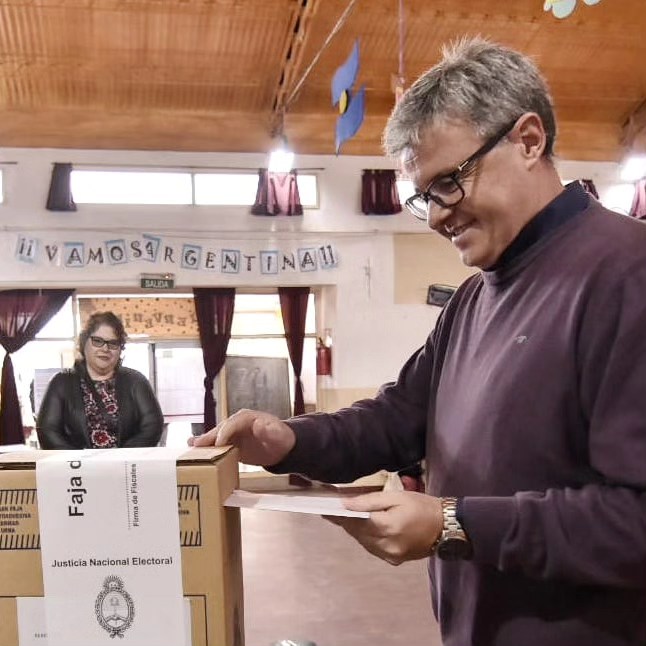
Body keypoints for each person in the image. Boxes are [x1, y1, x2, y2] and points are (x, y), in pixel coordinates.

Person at [192, 37, 646, 646]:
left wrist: (456, 523)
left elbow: (635, 519)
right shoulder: (474, 298)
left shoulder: (626, 273)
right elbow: (397, 417)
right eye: (421, 197)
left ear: (530, 140)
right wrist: (288, 440)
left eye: (448, 183)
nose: (434, 216)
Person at [37, 311, 163, 449]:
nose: (105, 348)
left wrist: (122, 457)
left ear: (120, 349)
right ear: (84, 343)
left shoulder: (136, 381)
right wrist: (78, 461)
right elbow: (48, 430)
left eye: (113, 343)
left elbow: (152, 425)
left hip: (127, 466)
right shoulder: (61, 382)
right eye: (97, 341)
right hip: (77, 468)